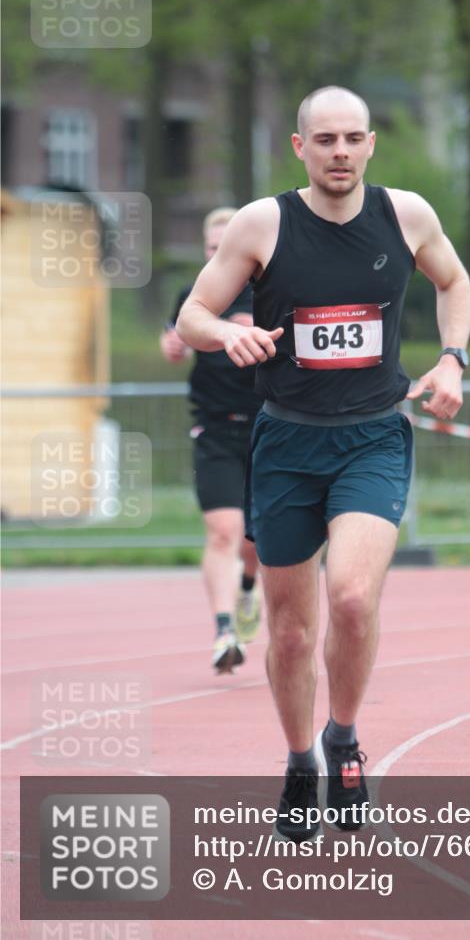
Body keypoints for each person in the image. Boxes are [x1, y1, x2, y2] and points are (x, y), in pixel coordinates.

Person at [176, 86, 470, 840]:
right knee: (290, 630)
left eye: (352, 139)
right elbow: (192, 313)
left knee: (348, 597)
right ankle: (299, 757)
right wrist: (224, 334)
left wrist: (451, 360)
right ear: (299, 147)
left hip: (373, 435)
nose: (339, 152)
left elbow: (454, 282)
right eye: (324, 139)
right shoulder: (261, 223)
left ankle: (342, 738)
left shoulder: (406, 215)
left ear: (371, 143)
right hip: (284, 441)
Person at [160, 207, 262, 674]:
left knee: (254, 540)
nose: (216, 256)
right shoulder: (193, 295)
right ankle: (224, 631)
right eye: (209, 248)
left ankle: (246, 587)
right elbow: (174, 338)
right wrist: (173, 345)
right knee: (223, 531)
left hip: (268, 429)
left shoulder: (268, 290)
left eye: (225, 247)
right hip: (215, 427)